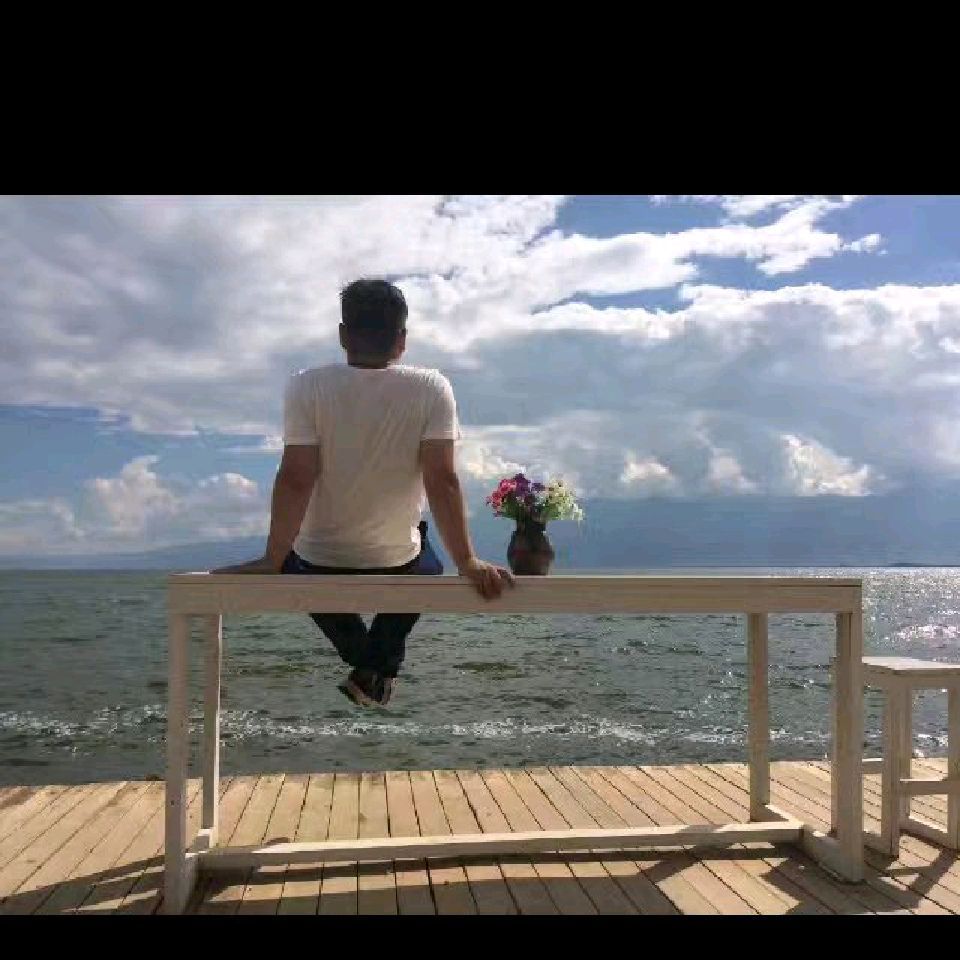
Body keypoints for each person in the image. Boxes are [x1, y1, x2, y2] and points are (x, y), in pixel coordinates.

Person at [215, 278, 515, 706]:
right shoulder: (431, 387)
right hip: (396, 559)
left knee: (296, 566)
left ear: (343, 335)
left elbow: (297, 477)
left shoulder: (306, 386)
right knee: (426, 565)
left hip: (318, 561)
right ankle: (374, 668)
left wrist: (271, 558)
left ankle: (368, 664)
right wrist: (467, 560)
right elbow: (442, 479)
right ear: (402, 340)